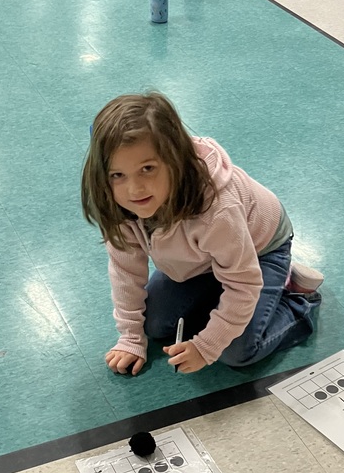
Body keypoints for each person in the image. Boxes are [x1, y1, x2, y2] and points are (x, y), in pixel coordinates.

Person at [81, 92, 323, 374]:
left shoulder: (216, 211)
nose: (134, 189)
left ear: (176, 161)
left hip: (262, 250)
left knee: (238, 351)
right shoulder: (118, 201)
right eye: (117, 175)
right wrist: (131, 337)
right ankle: (225, 286)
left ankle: (298, 298)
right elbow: (125, 272)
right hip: (204, 259)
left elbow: (243, 284)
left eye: (148, 169)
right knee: (155, 325)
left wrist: (206, 345)